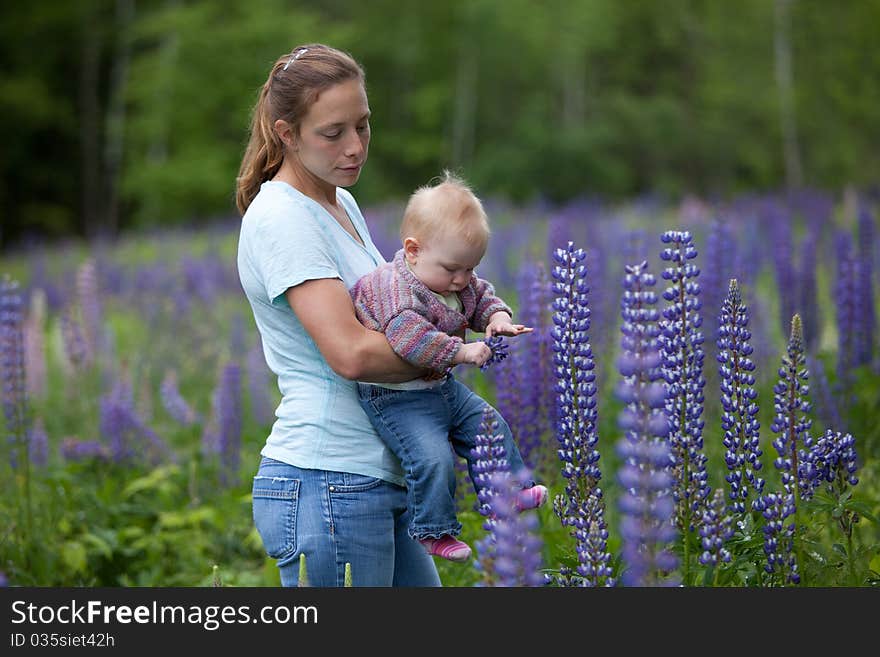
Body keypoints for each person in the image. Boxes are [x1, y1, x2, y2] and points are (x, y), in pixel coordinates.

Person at [235, 44, 442, 586]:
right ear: (286, 132)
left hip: (377, 472)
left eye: (363, 126)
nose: (355, 147)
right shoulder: (281, 217)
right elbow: (350, 353)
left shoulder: (338, 201)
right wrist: (446, 350)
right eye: (333, 133)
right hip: (327, 478)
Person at [350, 172, 549, 563]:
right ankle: (434, 531)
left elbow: (482, 297)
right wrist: (462, 352)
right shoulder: (396, 289)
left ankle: (506, 492)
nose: (461, 280)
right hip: (395, 396)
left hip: (437, 386)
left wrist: (497, 318)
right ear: (413, 250)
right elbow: (411, 341)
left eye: (469, 269)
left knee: (488, 424)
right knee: (432, 456)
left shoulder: (453, 278)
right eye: (453, 270)